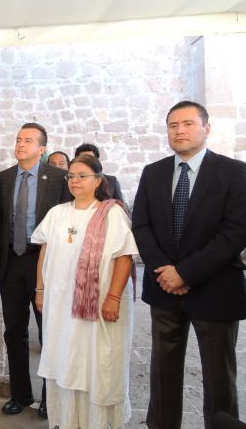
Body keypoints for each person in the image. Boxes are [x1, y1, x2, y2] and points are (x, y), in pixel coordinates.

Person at [132, 101, 246, 429]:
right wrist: (166, 271)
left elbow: (234, 233)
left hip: (214, 289)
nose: (179, 131)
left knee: (218, 378)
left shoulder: (233, 172)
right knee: (162, 373)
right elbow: (141, 225)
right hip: (164, 289)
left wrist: (185, 272)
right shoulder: (152, 173)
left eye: (187, 124)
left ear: (206, 129)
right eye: (172, 125)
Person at [32, 153, 138, 428]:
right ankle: (68, 420)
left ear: (98, 180)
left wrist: (114, 297)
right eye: (71, 176)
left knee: (96, 363)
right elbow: (44, 250)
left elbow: (124, 256)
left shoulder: (111, 213)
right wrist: (40, 289)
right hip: (60, 306)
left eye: (82, 176)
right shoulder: (58, 213)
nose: (75, 181)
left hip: (98, 307)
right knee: (64, 356)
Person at [0, 123, 71, 418]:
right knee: (14, 331)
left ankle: (50, 397)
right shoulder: (2, 178)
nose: (21, 144)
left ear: (42, 148)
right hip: (12, 263)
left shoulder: (59, 178)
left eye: (28, 140)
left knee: (49, 331)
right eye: (18, 139)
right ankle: (21, 395)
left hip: (45, 264)